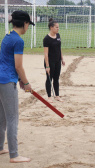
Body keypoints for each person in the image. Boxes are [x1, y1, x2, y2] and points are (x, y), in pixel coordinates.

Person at [0, 10, 34, 163]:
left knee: (2, 117)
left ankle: (1, 148)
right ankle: (14, 155)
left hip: (2, 78)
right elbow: (18, 66)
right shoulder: (18, 40)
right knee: (12, 117)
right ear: (25, 23)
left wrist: (19, 79)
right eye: (28, 24)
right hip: (7, 81)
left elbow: (7, 61)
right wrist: (26, 83)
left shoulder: (7, 36)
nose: (28, 28)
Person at [43, 18, 65, 103]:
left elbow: (59, 49)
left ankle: (57, 96)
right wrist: (47, 66)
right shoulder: (46, 39)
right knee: (49, 78)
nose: (58, 29)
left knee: (56, 78)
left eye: (58, 27)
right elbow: (45, 54)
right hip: (50, 61)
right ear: (51, 27)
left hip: (57, 60)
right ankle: (49, 97)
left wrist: (62, 59)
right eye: (56, 27)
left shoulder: (58, 36)